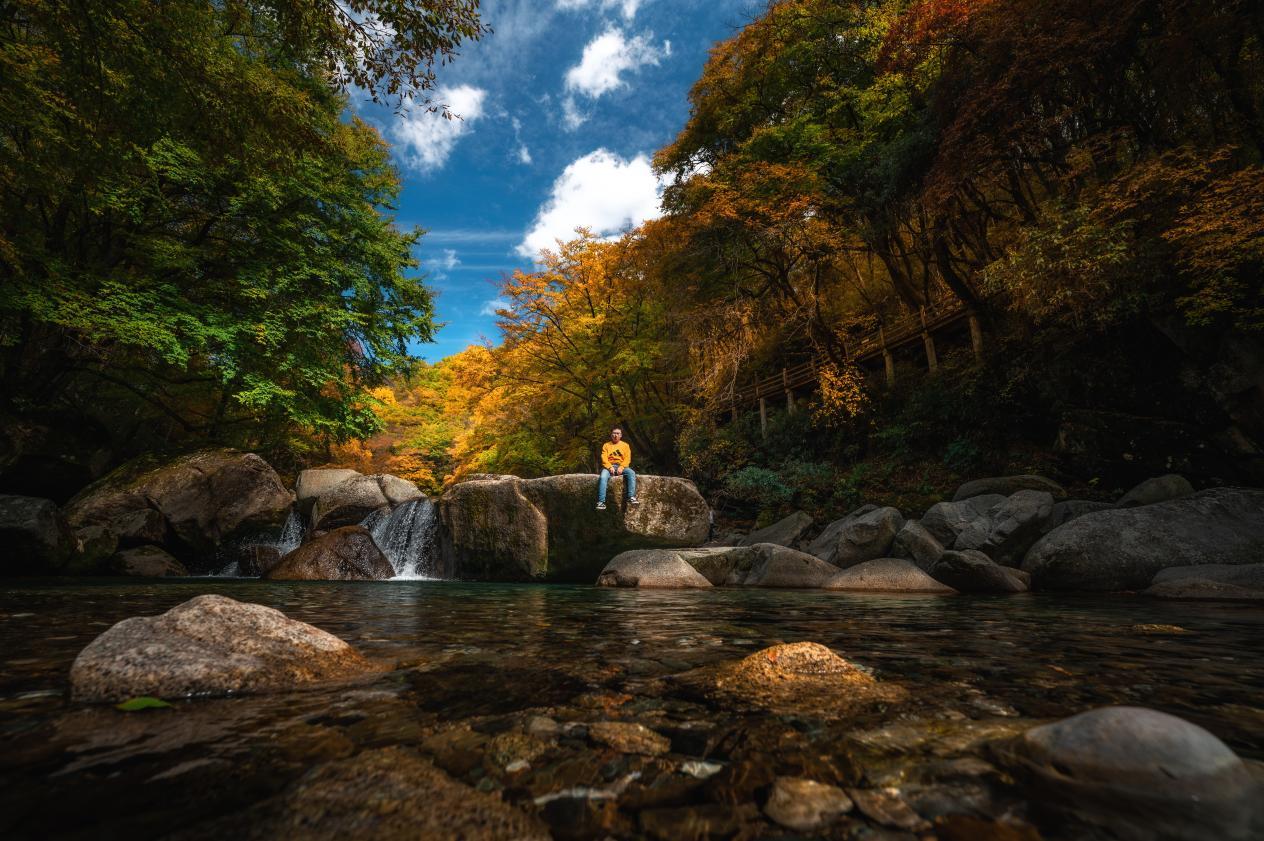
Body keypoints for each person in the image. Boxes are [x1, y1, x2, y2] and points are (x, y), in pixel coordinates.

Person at [596, 426, 638, 510]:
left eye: (617, 433)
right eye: (614, 433)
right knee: (603, 477)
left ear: (621, 435)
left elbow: (627, 458)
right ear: (611, 435)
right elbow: (604, 457)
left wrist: (622, 467)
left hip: (621, 466)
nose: (615, 435)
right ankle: (601, 502)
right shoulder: (606, 445)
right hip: (609, 466)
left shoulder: (625, 445)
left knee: (631, 473)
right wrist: (609, 466)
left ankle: (631, 497)